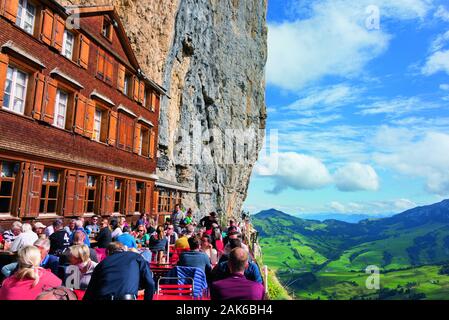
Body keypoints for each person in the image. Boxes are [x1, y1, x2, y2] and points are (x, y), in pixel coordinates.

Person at [83, 242, 155, 300]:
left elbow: (90, 292)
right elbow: (150, 283)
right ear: (124, 249)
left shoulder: (101, 264)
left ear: (108, 252)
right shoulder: (135, 257)